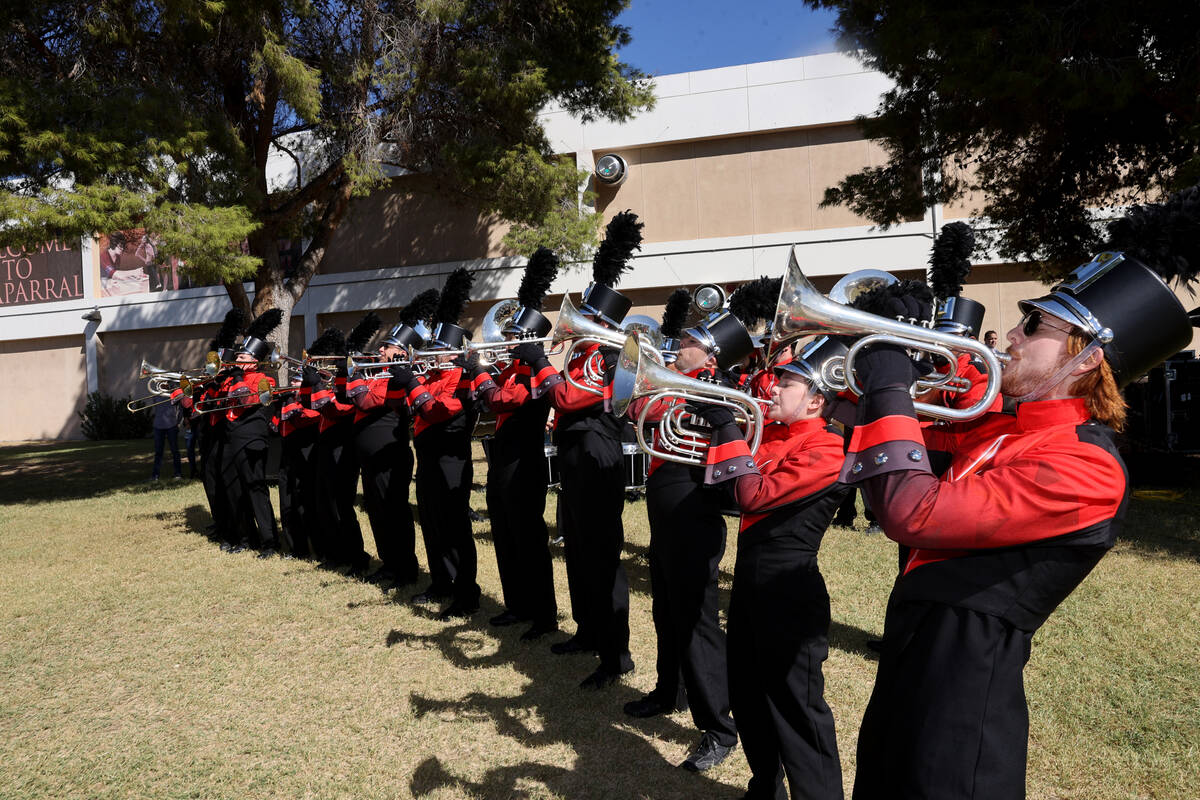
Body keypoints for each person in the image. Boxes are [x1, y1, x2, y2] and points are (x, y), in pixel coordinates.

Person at [840, 249, 1195, 799]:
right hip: (912, 654)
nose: (1011, 332)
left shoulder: (1087, 467)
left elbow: (913, 510)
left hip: (964, 690)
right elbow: (869, 428)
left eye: (1034, 325)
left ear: (1086, 358)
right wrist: (895, 350)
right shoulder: (1005, 426)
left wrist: (889, 376)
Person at [695, 335, 849, 800]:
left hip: (790, 588)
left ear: (817, 400)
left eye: (787, 383)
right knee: (747, 694)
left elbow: (751, 495)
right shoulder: (770, 437)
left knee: (797, 708)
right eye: (777, 380)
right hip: (751, 583)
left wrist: (727, 431)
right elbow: (723, 490)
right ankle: (765, 787)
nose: (773, 389)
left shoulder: (827, 448)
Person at [621, 310, 752, 774]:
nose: (677, 346)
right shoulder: (676, 381)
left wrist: (668, 392)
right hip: (666, 500)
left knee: (697, 618)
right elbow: (635, 410)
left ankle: (719, 728)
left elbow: (655, 412)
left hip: (694, 506)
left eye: (687, 341)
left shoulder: (721, 389)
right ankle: (667, 690)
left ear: (710, 351)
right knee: (664, 607)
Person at [469, 248, 561, 640]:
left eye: (511, 339)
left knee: (528, 538)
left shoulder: (534, 375)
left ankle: (543, 615)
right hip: (503, 458)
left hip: (524, 461)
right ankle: (517, 604)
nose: (504, 343)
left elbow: (500, 401)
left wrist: (478, 375)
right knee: (505, 533)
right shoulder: (511, 370)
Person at [397, 267, 482, 620]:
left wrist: (411, 384)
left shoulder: (459, 379)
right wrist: (414, 382)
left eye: (437, 351)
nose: (431, 355)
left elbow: (437, 412)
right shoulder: (432, 375)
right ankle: (440, 581)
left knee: (455, 528)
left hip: (452, 462)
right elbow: (414, 411)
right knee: (431, 522)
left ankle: (466, 594)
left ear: (450, 353)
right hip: (428, 458)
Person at [150, 386, 184, 481]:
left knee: (175, 451)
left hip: (172, 425)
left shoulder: (174, 394)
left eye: (165, 382)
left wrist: (178, 423)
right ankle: (155, 476)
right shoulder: (156, 394)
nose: (163, 384)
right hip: (158, 426)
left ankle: (178, 474)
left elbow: (181, 410)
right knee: (158, 452)